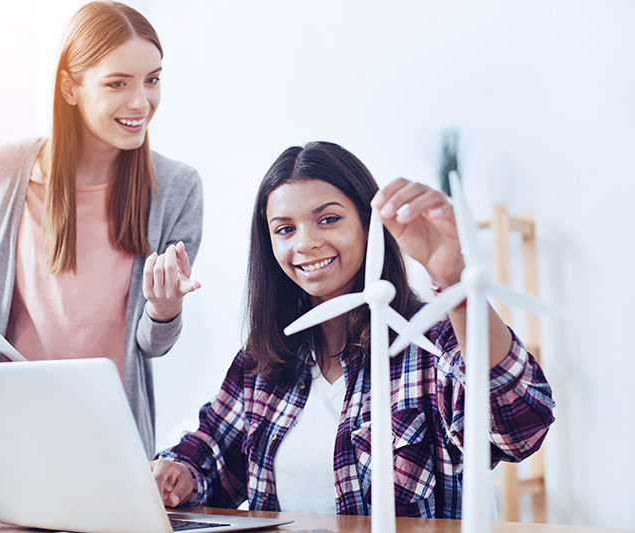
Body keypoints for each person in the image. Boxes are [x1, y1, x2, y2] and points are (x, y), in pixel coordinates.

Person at [150, 142, 554, 517]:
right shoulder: (261, 362)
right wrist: (177, 474)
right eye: (285, 229)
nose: (305, 243)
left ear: (369, 224)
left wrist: (452, 277)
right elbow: (209, 457)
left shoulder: (429, 342)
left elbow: (520, 426)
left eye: (328, 219)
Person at [0, 1, 202, 459]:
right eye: (118, 83)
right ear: (70, 87)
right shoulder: (0, 170)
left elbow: (152, 344)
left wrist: (164, 308)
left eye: (152, 79)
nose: (141, 102)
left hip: (110, 432)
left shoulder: (177, 188)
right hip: (9, 424)